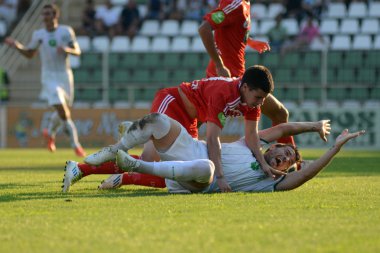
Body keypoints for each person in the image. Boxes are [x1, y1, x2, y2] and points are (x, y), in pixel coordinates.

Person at [85, 65, 281, 192]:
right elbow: (213, 139)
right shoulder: (223, 93)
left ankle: (136, 137)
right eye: (258, 97)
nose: (261, 103)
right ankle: (85, 167)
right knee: (149, 161)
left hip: (189, 119)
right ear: (245, 87)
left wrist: (264, 164)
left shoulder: (252, 102)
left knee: (179, 174)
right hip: (172, 103)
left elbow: (252, 136)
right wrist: (220, 176)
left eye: (264, 98)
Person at [62, 113, 364, 193]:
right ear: (271, 147)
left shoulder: (272, 184)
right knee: (159, 122)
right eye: (282, 151)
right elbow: (283, 128)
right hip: (190, 150)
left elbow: (307, 174)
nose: (283, 157)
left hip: (196, 178)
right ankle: (113, 154)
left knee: (206, 167)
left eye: (287, 160)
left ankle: (129, 168)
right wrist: (313, 127)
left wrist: (335, 149)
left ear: (286, 170)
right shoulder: (252, 143)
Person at [198, 0, 295, 147]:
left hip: (238, 78)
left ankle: (292, 162)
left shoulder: (243, 4)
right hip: (227, 79)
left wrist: (249, 41)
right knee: (280, 113)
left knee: (280, 114)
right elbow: (204, 28)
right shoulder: (235, 4)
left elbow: (230, 28)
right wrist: (219, 65)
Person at [4, 4, 86, 157]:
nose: (45, 17)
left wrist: (67, 50)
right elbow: (30, 54)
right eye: (43, 14)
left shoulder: (65, 31)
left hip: (65, 76)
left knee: (64, 110)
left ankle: (49, 132)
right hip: (49, 77)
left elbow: (77, 51)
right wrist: (16, 46)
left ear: (55, 16)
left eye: (48, 14)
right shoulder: (39, 35)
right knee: (63, 111)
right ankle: (76, 145)